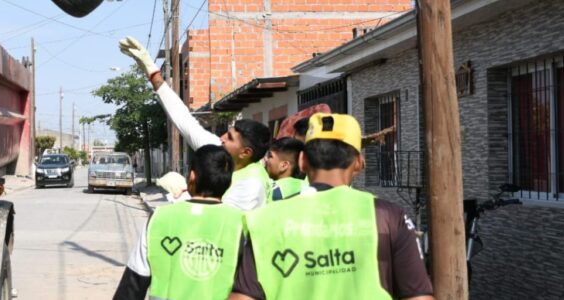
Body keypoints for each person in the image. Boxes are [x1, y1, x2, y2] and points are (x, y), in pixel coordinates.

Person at [230, 113, 434, 300]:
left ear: (302, 161)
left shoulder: (265, 220)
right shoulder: (388, 217)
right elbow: (419, 297)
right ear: (359, 163)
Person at [119, 36, 272, 211]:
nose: (221, 138)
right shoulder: (218, 152)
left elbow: (218, 217)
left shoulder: (252, 184)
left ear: (246, 152)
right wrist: (150, 69)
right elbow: (183, 117)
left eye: (230, 138)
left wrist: (183, 193)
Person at [114, 145, 244, 300]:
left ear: (192, 176)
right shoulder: (240, 223)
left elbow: (133, 283)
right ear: (229, 184)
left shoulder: (159, 218)